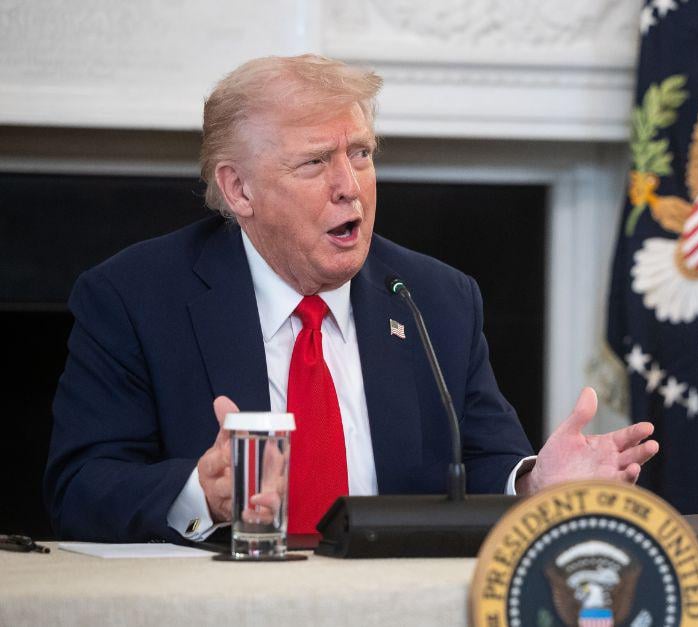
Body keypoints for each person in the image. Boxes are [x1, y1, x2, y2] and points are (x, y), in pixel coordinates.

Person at [43, 54, 658, 543]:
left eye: (360, 154)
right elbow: (79, 489)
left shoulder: (435, 299)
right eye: (315, 162)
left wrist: (533, 484)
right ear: (239, 190)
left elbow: (485, 458)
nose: (350, 187)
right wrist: (200, 495)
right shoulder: (135, 297)